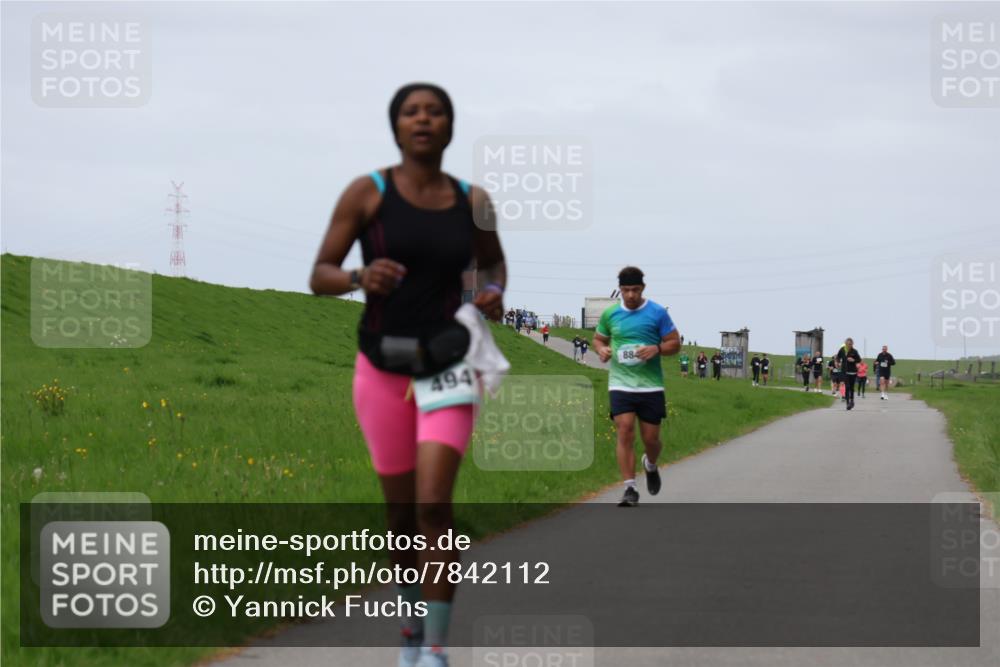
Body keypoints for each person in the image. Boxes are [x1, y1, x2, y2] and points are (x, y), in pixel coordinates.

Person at [309, 83, 507, 667]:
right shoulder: (365, 194)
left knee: (432, 509)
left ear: (449, 128)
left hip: (449, 365)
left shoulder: (475, 199)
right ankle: (412, 629)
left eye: (435, 111)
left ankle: (438, 651)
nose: (423, 119)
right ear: (396, 127)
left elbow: (493, 262)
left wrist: (493, 290)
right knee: (399, 517)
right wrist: (356, 278)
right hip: (380, 368)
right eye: (411, 112)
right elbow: (319, 272)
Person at [593, 266, 681, 507]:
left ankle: (650, 465)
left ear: (643, 288)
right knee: (625, 430)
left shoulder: (657, 313)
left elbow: (675, 343)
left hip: (650, 385)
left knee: (651, 439)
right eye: (625, 290)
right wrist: (602, 349)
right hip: (620, 383)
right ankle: (629, 489)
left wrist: (657, 349)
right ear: (619, 290)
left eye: (635, 290)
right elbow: (599, 338)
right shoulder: (610, 314)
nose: (630, 295)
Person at [837, 338, 862, 410]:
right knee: (847, 387)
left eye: (850, 344)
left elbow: (859, 360)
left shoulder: (854, 351)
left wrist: (853, 360)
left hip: (853, 371)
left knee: (851, 387)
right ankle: (848, 403)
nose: (849, 345)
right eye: (847, 344)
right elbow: (838, 357)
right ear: (845, 343)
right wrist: (837, 362)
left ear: (852, 344)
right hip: (845, 371)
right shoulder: (842, 350)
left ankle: (852, 400)